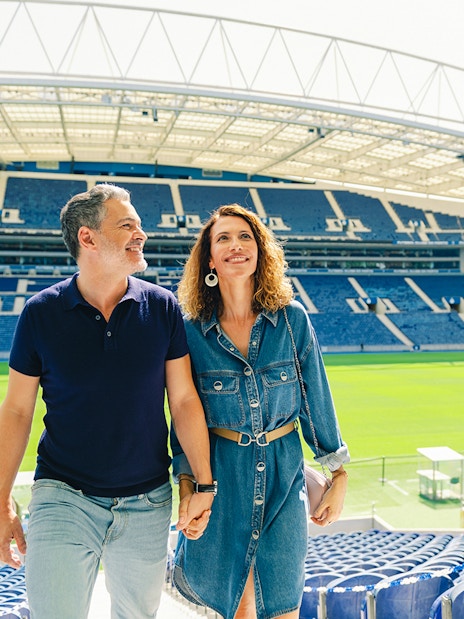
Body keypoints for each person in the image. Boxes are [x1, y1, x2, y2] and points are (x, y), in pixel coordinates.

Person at [0, 183, 215, 619]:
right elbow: (18, 411)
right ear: (88, 237)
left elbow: (185, 401)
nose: (142, 235)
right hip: (62, 497)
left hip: (148, 502)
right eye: (127, 225)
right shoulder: (40, 313)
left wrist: (205, 482)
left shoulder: (163, 307)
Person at [171, 203, 349, 619]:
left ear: (260, 250)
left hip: (283, 479)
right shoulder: (190, 331)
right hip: (221, 479)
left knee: (283, 604)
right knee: (240, 607)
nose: (236, 246)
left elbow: (315, 400)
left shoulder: (292, 321)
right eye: (223, 239)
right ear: (209, 259)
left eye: (245, 237)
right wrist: (187, 485)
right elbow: (180, 416)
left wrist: (337, 473)